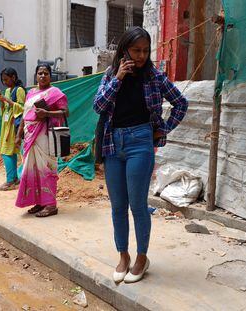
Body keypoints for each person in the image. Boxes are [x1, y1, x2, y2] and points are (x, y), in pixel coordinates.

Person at [93, 27, 188, 284]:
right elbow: (98, 105)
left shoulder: (155, 77)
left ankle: (141, 258)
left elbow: (181, 103)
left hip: (140, 143)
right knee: (117, 207)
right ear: (125, 50)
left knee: (138, 205)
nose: (142, 55)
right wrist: (118, 79)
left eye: (146, 51)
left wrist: (164, 129)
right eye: (136, 50)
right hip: (113, 145)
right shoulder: (111, 75)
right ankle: (123, 256)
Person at [15, 64, 68, 217]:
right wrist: (19, 135)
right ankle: (39, 202)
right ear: (36, 75)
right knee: (33, 169)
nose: (43, 76)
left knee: (46, 169)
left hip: (45, 136)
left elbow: (66, 112)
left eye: (46, 73)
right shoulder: (31, 92)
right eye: (40, 73)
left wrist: (47, 113)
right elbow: (25, 115)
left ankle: (50, 205)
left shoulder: (55, 92)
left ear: (50, 76)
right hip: (29, 136)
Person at [0, 67, 25, 191]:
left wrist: (6, 100)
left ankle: (11, 180)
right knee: (7, 150)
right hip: (6, 124)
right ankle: (13, 178)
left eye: (6, 79)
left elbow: (23, 108)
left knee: (8, 151)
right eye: (3, 80)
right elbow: (6, 108)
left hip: (14, 125)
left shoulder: (19, 90)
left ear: (13, 77)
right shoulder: (7, 90)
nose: (4, 82)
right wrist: (2, 101)